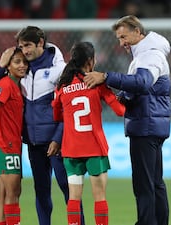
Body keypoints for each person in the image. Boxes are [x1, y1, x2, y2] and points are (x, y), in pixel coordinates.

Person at [0, 25, 85, 225]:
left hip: (57, 143)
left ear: (40, 42)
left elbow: (68, 109)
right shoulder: (23, 68)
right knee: (41, 191)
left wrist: (57, 138)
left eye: (28, 45)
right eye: (21, 46)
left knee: (69, 189)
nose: (25, 50)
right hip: (33, 143)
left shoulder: (60, 70)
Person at [84, 15, 171, 225]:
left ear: (137, 32)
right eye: (119, 38)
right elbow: (140, 91)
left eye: (124, 37)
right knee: (155, 183)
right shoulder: (146, 55)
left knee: (144, 184)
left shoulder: (149, 55)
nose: (121, 43)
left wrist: (106, 77)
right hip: (151, 123)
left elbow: (141, 83)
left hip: (146, 126)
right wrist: (115, 98)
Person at [52, 41, 125, 225]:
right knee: (99, 197)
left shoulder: (62, 87)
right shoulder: (96, 82)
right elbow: (119, 111)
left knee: (74, 198)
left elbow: (56, 115)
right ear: (91, 61)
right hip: (94, 147)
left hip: (71, 149)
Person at [0, 47, 28, 225]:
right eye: (17, 62)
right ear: (8, 66)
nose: (22, 65)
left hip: (12, 144)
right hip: (4, 145)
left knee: (5, 193)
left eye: (24, 62)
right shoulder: (5, 85)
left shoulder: (17, 86)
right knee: (13, 192)